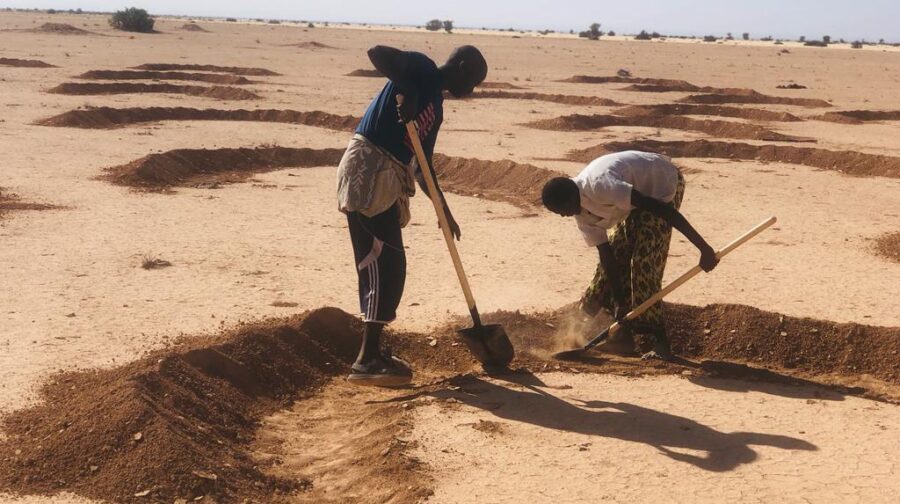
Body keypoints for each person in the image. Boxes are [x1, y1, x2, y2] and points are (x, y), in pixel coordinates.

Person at [336, 45, 487, 386]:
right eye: (474, 81)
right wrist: (411, 90)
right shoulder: (422, 68)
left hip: (388, 177)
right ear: (462, 66)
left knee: (391, 264)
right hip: (369, 169)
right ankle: (365, 360)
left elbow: (422, 165)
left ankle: (373, 353)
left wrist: (443, 210)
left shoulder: (437, 108)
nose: (472, 90)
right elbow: (377, 53)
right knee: (382, 261)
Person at [541, 151, 719, 360]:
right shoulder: (582, 216)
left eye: (562, 209)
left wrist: (703, 248)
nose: (564, 215)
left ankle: (661, 342)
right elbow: (607, 256)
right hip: (632, 202)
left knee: (643, 264)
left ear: (571, 196)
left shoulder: (602, 185)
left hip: (660, 186)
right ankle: (621, 337)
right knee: (609, 267)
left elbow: (662, 210)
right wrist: (619, 302)